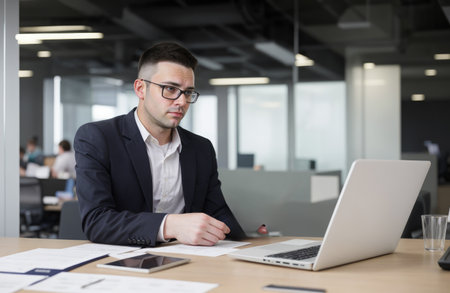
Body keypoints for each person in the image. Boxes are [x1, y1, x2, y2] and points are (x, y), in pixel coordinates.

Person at [74, 42, 245, 247]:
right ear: (140, 88)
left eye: (188, 92)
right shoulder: (98, 138)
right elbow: (97, 221)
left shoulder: (201, 148)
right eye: (170, 89)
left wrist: (253, 240)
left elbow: (217, 212)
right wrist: (170, 225)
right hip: (123, 264)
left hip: (190, 262)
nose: (182, 102)